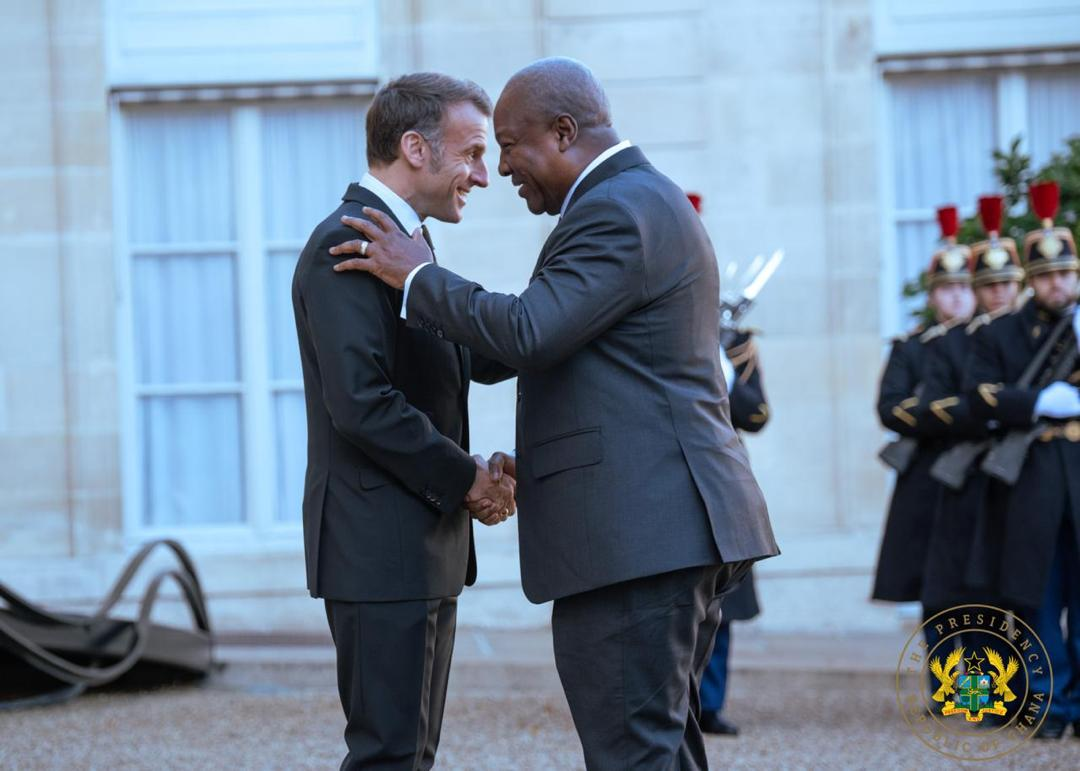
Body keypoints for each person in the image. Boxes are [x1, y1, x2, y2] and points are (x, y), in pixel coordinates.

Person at [331, 57, 779, 769]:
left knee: (634, 753)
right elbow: (604, 373)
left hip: (641, 540)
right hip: (657, 530)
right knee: (659, 747)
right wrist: (537, 459)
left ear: (564, 131)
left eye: (508, 145)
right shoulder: (638, 200)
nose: (499, 169)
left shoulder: (618, 209)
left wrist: (416, 275)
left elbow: (531, 332)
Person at [291, 73, 516, 770]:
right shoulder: (348, 243)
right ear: (415, 148)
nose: (484, 175)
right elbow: (362, 402)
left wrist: (564, 322)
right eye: (473, 152)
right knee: (389, 755)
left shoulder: (405, 242)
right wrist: (468, 478)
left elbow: (460, 355)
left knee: (410, 753)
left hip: (417, 546)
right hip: (378, 546)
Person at [967, 180, 1080, 740]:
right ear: (1030, 281)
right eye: (1046, 275)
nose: (1057, 283)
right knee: (1038, 595)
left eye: (1065, 273)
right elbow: (979, 393)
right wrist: (1036, 401)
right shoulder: (1005, 331)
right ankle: (1051, 705)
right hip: (1033, 477)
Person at [871, 206, 975, 651]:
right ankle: (949, 690)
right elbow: (891, 408)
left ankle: (985, 693)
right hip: (929, 475)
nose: (955, 298)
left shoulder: (989, 344)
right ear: (932, 296)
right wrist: (952, 412)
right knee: (936, 590)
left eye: (963, 288)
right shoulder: (912, 348)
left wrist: (934, 410)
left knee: (977, 590)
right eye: (946, 289)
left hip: (979, 472)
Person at [917, 199, 1025, 616]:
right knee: (969, 603)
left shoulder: (1027, 333)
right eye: (988, 285)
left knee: (1028, 597)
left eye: (1006, 283)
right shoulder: (950, 343)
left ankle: (1033, 685)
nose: (996, 292)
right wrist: (1004, 408)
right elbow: (932, 406)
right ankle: (969, 687)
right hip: (971, 479)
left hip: (1030, 475)